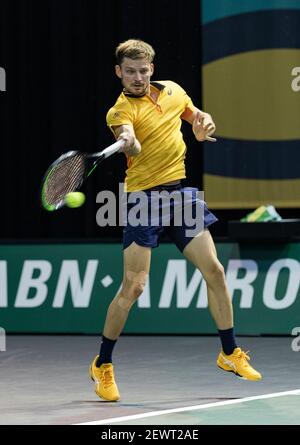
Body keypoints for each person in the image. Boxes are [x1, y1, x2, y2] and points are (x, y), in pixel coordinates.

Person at [89, 39, 262, 402]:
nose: (137, 77)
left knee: (214, 270)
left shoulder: (173, 91)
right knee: (133, 287)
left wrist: (203, 121)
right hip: (142, 199)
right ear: (119, 73)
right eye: (129, 71)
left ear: (151, 69)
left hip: (180, 194)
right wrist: (131, 142)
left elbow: (194, 114)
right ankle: (103, 364)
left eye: (143, 70)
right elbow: (130, 143)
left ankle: (229, 353)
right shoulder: (118, 113)